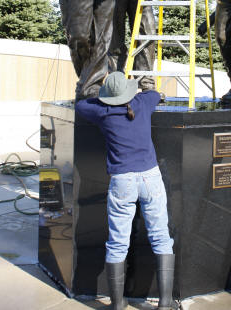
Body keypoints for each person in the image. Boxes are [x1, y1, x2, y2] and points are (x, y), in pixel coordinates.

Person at [75, 72, 177, 310]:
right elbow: (154, 94)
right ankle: (164, 302)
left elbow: (81, 105)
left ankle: (118, 304)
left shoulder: (102, 112)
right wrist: (142, 92)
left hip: (122, 180)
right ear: (129, 92)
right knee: (161, 237)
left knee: (118, 242)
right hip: (150, 177)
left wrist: (101, 100)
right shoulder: (142, 103)